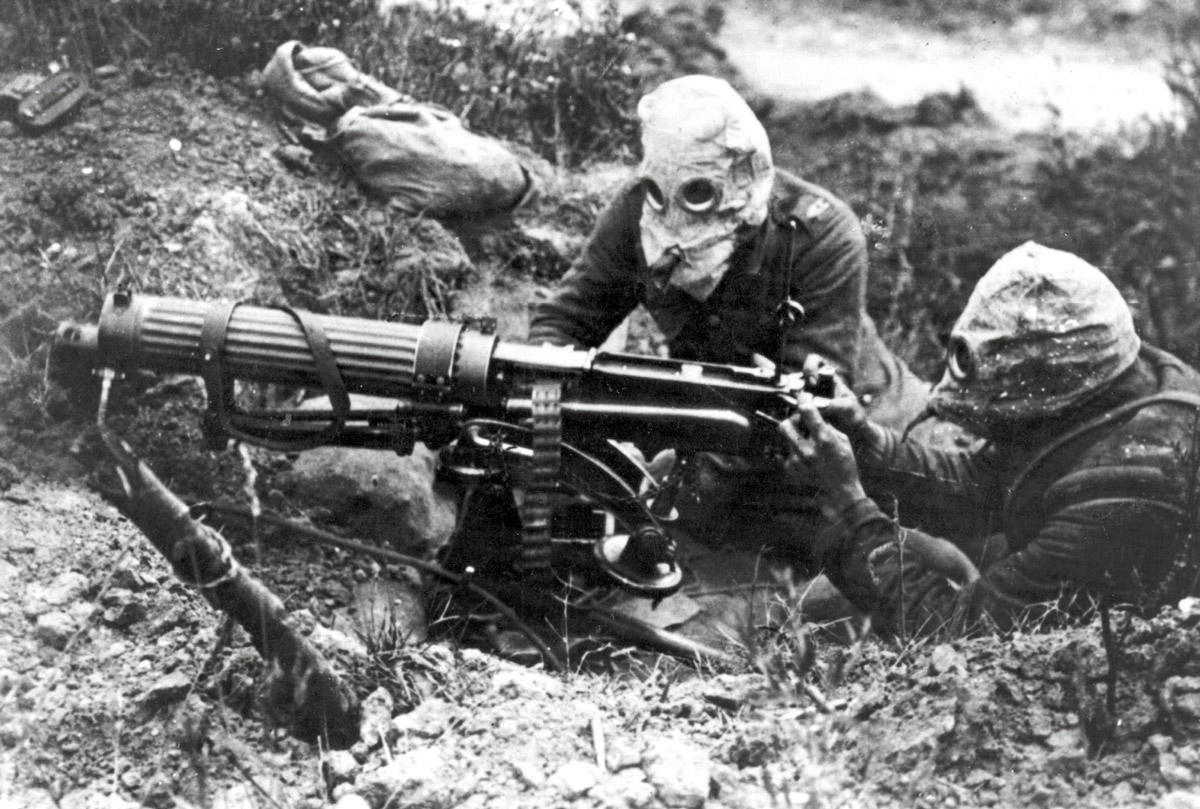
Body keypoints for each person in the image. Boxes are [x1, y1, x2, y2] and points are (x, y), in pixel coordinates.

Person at [529, 74, 931, 567]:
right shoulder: (637, 212)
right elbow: (565, 320)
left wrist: (665, 478)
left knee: (887, 560)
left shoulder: (821, 235)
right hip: (719, 425)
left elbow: (805, 413)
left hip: (864, 430)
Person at [780, 241, 1200, 637]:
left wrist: (848, 510)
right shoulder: (1115, 375)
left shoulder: (1130, 491)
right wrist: (870, 448)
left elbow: (958, 631)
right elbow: (989, 481)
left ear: (1050, 403)